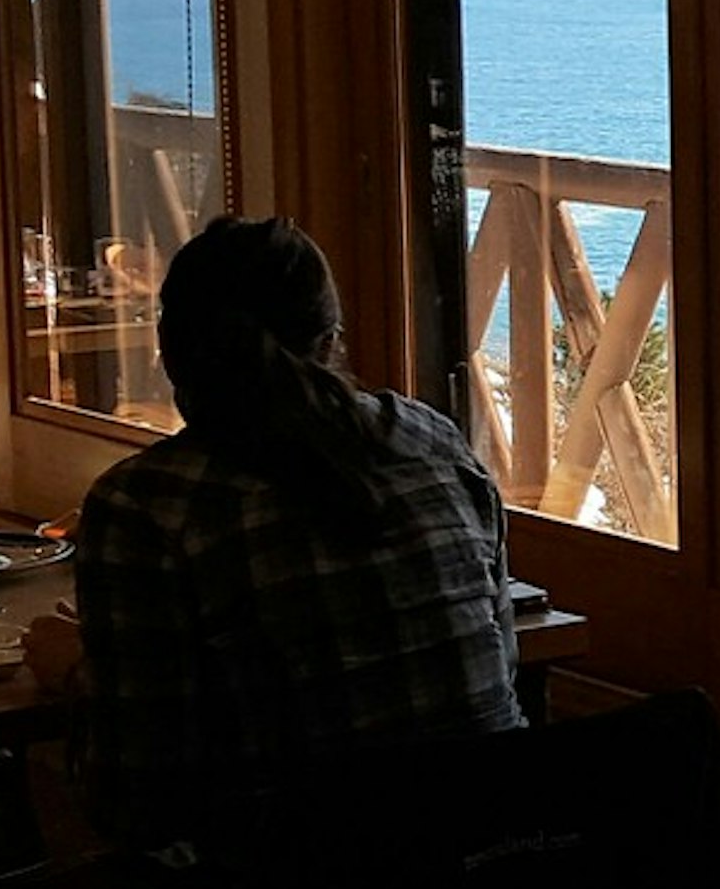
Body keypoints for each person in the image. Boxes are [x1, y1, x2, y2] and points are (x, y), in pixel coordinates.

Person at [70, 214, 521, 851]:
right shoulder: (434, 443)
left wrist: (75, 677)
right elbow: (500, 666)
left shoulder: (145, 508)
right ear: (332, 339)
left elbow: (140, 798)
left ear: (168, 347)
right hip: (501, 878)